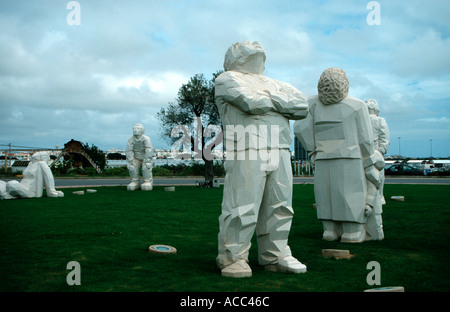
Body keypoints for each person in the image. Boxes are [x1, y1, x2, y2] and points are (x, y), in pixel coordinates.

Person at [215, 41, 308, 277]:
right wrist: (279, 102)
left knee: (280, 205)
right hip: (247, 147)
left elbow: (302, 106)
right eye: (245, 46)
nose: (254, 46)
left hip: (279, 148)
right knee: (242, 206)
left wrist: (267, 97)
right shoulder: (226, 79)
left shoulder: (274, 83)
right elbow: (251, 103)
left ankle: (275, 254)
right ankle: (233, 257)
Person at [294, 68, 384, 243]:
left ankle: (330, 231)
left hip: (322, 157)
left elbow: (300, 128)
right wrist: (369, 161)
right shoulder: (357, 106)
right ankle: (353, 231)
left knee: (326, 195)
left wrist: (313, 150)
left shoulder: (311, 104)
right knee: (350, 194)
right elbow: (365, 139)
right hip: (350, 158)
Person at [365, 99, 390, 240]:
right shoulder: (381, 121)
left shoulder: (363, 121)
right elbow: (385, 140)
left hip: (367, 158)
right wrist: (379, 152)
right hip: (376, 158)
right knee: (376, 186)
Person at [126, 123, 154, 191]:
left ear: (142, 130)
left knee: (145, 167)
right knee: (131, 167)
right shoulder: (131, 140)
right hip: (136, 158)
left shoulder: (146, 139)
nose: (135, 130)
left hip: (146, 158)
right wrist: (131, 160)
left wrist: (147, 160)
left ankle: (147, 182)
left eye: (137, 129)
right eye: (134, 129)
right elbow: (128, 150)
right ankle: (135, 182)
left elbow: (149, 150)